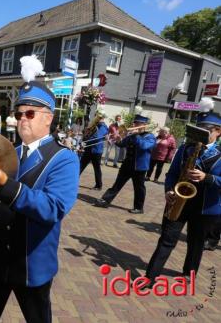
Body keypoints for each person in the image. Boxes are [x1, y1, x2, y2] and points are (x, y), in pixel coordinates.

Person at [0, 59, 79, 322]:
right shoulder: (11, 152)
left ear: (49, 117)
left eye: (30, 113)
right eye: (19, 114)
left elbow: (54, 208)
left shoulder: (64, 158)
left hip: (30, 262)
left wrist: (5, 184)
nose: (22, 119)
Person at [145, 97, 220, 281]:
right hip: (180, 200)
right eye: (199, 129)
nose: (201, 133)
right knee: (166, 239)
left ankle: (188, 274)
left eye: (206, 131)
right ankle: (150, 276)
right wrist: (169, 190)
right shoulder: (186, 148)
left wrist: (207, 178)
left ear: (218, 131)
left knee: (196, 243)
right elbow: (171, 173)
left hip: (205, 207)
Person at [94, 109, 156, 214]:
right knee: (117, 184)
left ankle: (139, 207)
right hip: (127, 164)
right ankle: (105, 200)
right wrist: (117, 139)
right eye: (135, 122)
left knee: (139, 188)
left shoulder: (150, 137)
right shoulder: (132, 135)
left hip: (139, 167)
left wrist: (136, 135)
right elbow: (122, 144)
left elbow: (144, 146)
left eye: (137, 123)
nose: (134, 124)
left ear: (144, 125)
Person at [79, 113, 108, 190]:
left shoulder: (103, 127)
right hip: (89, 149)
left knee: (96, 168)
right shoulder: (94, 126)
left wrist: (87, 138)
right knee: (81, 165)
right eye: (96, 116)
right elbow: (86, 135)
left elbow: (97, 137)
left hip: (96, 150)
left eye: (98, 117)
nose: (96, 118)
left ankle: (99, 185)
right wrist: (86, 133)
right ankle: (72, 181)